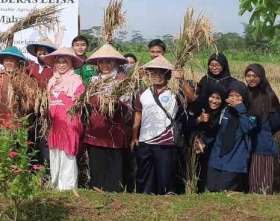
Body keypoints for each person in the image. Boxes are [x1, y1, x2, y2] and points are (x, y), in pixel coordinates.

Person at [131, 56, 183, 195]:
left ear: (168, 75)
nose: (156, 75)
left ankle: (165, 199)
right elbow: (138, 115)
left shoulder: (175, 92)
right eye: (153, 72)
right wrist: (134, 136)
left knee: (165, 175)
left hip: (165, 141)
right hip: (145, 140)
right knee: (144, 174)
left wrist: (181, 80)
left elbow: (191, 99)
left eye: (160, 72)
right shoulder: (143, 92)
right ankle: (144, 198)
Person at [84, 44, 131, 192]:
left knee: (113, 161)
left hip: (113, 128)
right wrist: (96, 101)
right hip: (96, 127)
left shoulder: (121, 81)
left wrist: (113, 103)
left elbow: (127, 104)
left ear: (114, 63)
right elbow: (87, 101)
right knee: (96, 160)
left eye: (108, 62)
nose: (104, 65)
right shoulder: (92, 81)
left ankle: (113, 190)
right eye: (101, 62)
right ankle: (96, 188)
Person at [42, 48, 84, 191]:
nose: (61, 65)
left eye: (64, 62)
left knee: (67, 155)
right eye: (58, 62)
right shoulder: (51, 81)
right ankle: (55, 186)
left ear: (70, 63)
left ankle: (68, 188)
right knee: (54, 154)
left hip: (69, 124)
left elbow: (80, 102)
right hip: (54, 123)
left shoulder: (76, 80)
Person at [206, 81, 257, 192]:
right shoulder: (224, 110)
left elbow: (248, 128)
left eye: (237, 96)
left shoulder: (250, 113)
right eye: (231, 95)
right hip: (217, 158)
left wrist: (240, 109)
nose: (234, 99)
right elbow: (214, 129)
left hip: (235, 160)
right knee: (211, 188)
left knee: (222, 189)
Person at [245, 64, 280, 194]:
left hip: (262, 143)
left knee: (261, 182)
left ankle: (263, 208)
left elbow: (276, 122)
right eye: (248, 76)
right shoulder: (245, 94)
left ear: (261, 77)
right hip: (245, 143)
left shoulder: (269, 95)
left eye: (255, 76)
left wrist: (264, 130)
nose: (251, 79)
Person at [187, 86, 227, 193]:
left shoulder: (224, 113)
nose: (214, 101)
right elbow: (188, 126)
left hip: (215, 149)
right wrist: (199, 119)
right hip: (198, 148)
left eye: (218, 98)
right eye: (212, 97)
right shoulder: (201, 108)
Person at [24, 40, 57, 170]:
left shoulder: (55, 70)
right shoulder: (29, 68)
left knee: (45, 141)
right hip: (31, 112)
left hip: (47, 112)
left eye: (45, 50)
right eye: (40, 50)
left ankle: (46, 173)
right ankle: (31, 171)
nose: (42, 52)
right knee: (30, 139)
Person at [0, 46, 31, 125]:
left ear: (18, 61)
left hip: (18, 124)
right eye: (6, 59)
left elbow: (31, 101)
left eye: (12, 59)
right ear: (2, 61)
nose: (9, 61)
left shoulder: (25, 79)